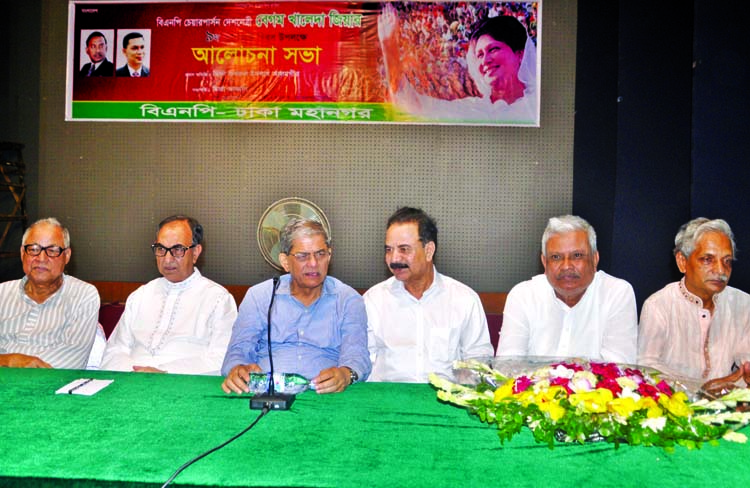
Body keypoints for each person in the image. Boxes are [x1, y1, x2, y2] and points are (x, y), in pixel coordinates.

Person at [221, 218, 370, 394]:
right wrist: (238, 369)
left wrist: (346, 375)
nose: (314, 263)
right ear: (285, 261)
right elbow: (237, 352)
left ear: (329, 256)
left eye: (321, 254)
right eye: (303, 256)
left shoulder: (348, 299)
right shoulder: (259, 297)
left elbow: (357, 358)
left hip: (325, 395)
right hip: (266, 392)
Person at [365, 207, 493, 382]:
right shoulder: (373, 300)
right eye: (388, 250)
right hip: (387, 400)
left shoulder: (464, 299)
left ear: (429, 251)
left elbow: (479, 361)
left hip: (444, 402)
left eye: (403, 249)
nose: (394, 259)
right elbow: (363, 362)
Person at [101, 216, 236, 374]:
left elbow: (220, 359)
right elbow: (114, 351)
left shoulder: (218, 299)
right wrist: (136, 373)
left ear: (195, 253)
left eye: (177, 249)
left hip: (184, 387)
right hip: (132, 382)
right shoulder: (140, 296)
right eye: (161, 249)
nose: (167, 259)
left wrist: (163, 373)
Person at [497, 215, 637, 363]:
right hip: (533, 386)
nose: (566, 266)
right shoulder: (523, 296)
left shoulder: (617, 294)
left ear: (595, 259)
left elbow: (620, 367)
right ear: (544, 262)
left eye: (577, 256)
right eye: (556, 257)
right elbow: (507, 365)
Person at [638, 218, 750, 391]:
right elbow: (646, 369)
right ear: (682, 262)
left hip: (729, 408)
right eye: (708, 259)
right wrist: (704, 389)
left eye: (727, 261)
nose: (721, 270)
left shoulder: (743, 304)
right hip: (673, 408)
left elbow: (746, 365)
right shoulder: (659, 306)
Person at [378, 4, 537, 123]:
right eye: (479, 55)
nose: (485, 61)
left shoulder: (535, 105)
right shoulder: (472, 108)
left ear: (520, 54)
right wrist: (388, 44)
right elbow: (412, 104)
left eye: (493, 49)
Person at [0, 218, 99, 368]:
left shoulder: (83, 296)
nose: (41, 258)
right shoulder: (2, 293)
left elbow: (69, 361)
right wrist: (10, 360)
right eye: (33, 249)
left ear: (66, 256)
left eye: (52, 251)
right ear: (22, 253)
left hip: (48, 387)